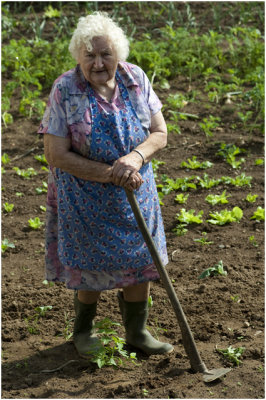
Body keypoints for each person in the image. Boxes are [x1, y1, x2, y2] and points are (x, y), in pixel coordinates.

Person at [38, 11, 173, 358]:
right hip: (85, 196)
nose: (98, 62)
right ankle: (83, 331)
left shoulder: (135, 79)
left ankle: (137, 332)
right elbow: (55, 154)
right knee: (90, 265)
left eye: (106, 54)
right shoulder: (65, 90)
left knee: (141, 258)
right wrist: (110, 174)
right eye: (90, 55)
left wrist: (135, 159)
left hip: (136, 189)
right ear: (78, 57)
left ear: (119, 55)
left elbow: (160, 133)